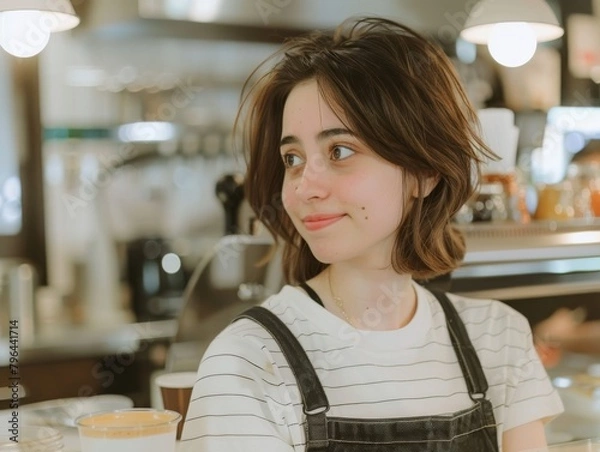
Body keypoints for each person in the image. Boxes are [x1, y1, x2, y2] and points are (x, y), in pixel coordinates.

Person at [179, 17, 563, 451]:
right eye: (292, 158)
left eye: (339, 151)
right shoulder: (248, 361)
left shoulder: (499, 338)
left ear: (424, 173)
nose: (305, 186)